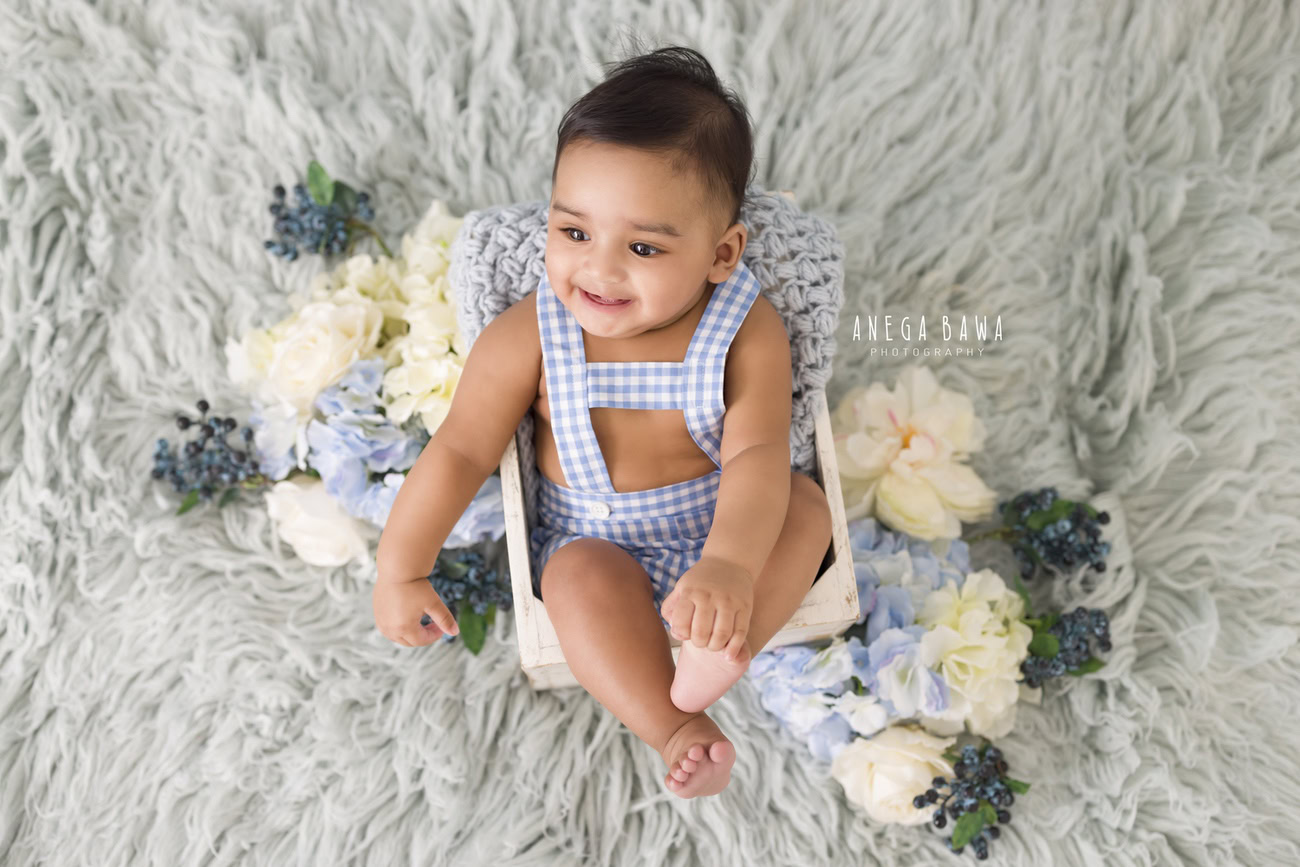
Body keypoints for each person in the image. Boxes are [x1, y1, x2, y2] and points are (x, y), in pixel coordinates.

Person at [374, 41, 832, 799]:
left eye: (644, 245)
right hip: (598, 539)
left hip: (726, 528)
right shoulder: (531, 333)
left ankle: (720, 638)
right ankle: (676, 720)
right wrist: (402, 566)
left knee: (806, 505)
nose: (599, 269)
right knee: (572, 576)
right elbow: (460, 449)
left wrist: (729, 567)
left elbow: (755, 452)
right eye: (574, 232)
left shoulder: (746, 327)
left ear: (722, 254)